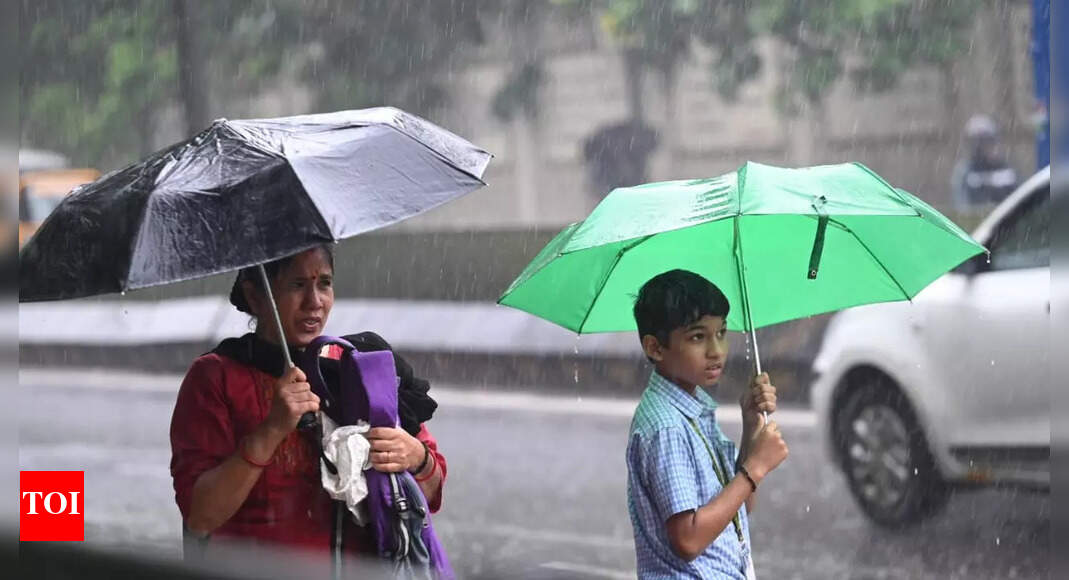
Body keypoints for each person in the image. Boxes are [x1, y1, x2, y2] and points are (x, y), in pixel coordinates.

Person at [169, 246, 446, 557]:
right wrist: (272, 430)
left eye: (324, 283)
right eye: (297, 285)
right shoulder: (215, 378)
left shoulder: (355, 368)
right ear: (256, 296)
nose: (315, 302)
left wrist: (417, 457)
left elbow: (431, 491)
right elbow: (201, 517)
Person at [626, 269, 789, 579]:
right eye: (698, 336)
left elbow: (740, 506)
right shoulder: (667, 428)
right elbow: (688, 539)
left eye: (722, 332)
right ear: (655, 347)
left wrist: (751, 424)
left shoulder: (694, 407)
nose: (717, 351)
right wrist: (755, 468)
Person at [950, 115, 1019, 215]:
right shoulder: (965, 172)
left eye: (987, 141)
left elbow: (1019, 198)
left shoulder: (1007, 170)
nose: (981, 146)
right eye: (977, 142)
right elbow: (962, 206)